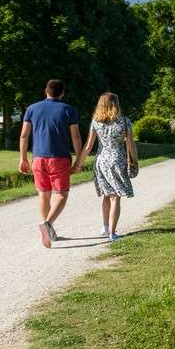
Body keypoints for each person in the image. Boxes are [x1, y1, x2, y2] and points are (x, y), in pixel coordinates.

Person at [19, 79, 82, 248]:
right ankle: (47, 224)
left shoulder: (32, 109)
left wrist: (23, 158)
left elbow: (24, 136)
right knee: (61, 194)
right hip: (59, 158)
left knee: (43, 194)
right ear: (62, 93)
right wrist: (78, 159)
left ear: (46, 90)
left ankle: (48, 229)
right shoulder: (68, 110)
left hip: (38, 158)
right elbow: (75, 137)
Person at [73, 92, 137, 241]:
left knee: (107, 195)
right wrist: (135, 160)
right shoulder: (125, 122)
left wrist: (79, 164)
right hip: (117, 160)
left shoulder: (96, 122)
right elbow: (130, 144)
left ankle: (105, 227)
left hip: (101, 161)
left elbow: (88, 146)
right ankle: (112, 234)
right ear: (116, 104)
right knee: (116, 197)